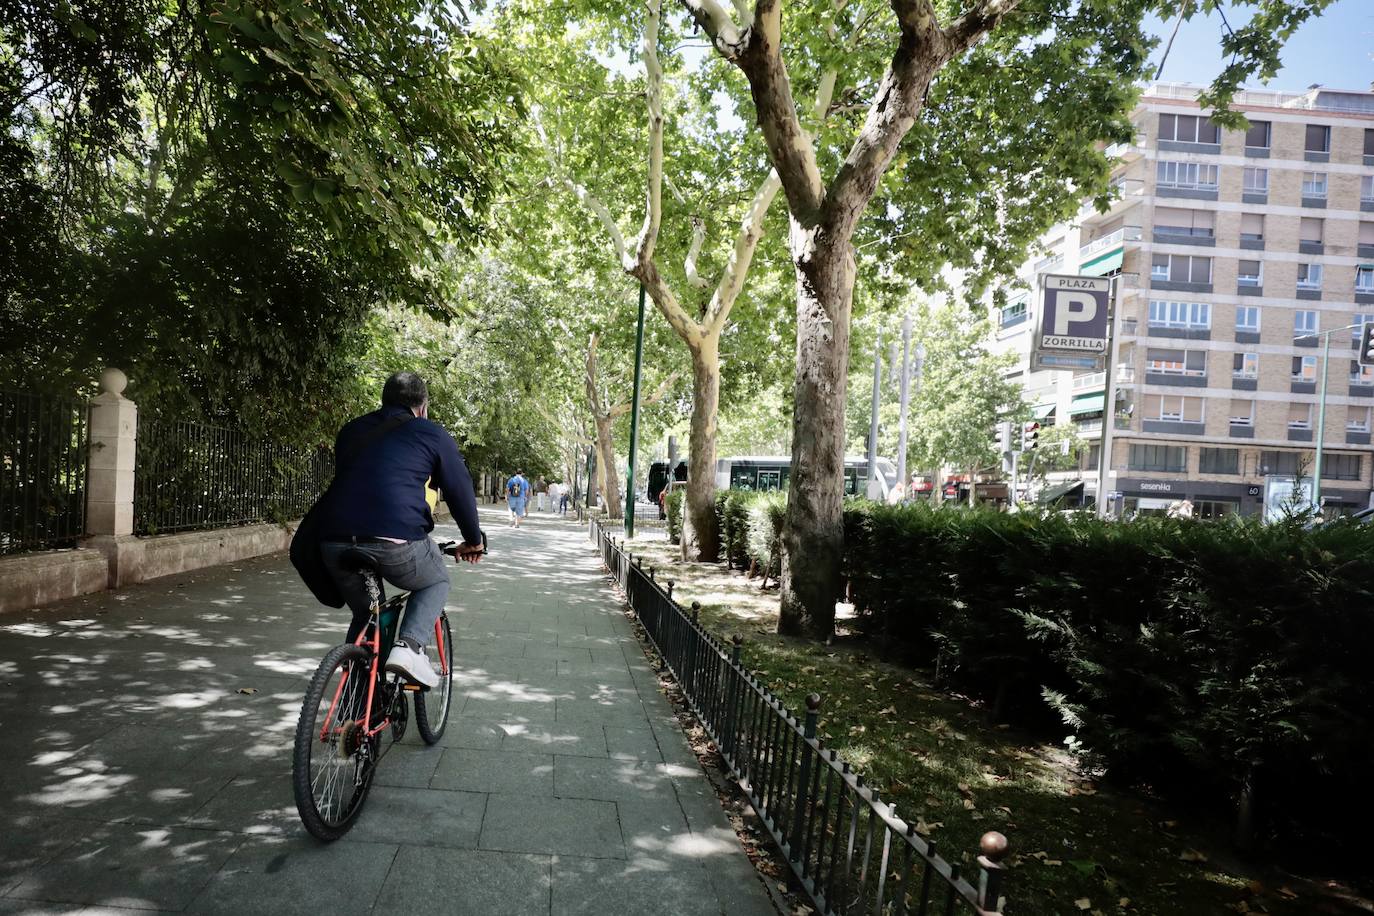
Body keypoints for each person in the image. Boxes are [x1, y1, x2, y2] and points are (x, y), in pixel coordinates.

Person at [318, 371, 484, 689]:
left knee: (368, 612)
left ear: (384, 402)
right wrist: (473, 540)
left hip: (333, 541)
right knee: (435, 579)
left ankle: (354, 694)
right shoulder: (430, 432)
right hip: (394, 541)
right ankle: (408, 648)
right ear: (422, 407)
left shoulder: (351, 431)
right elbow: (460, 488)